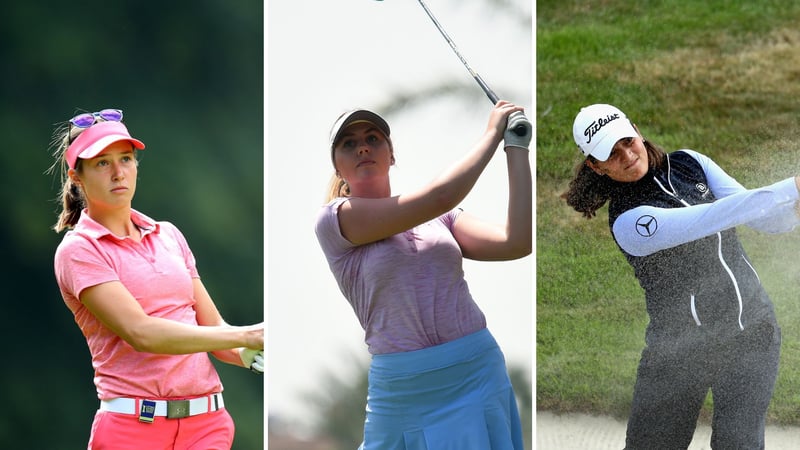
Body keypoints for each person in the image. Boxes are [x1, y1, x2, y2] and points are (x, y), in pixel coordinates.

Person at [563, 103, 799, 449]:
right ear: (595, 166)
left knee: (740, 444)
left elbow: (766, 219)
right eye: (611, 155)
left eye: (627, 141)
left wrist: (795, 206)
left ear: (637, 131)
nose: (627, 155)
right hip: (678, 354)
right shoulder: (630, 221)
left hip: (752, 333)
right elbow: (712, 218)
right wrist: (791, 186)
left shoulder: (690, 163)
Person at [315, 101, 532, 449]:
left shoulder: (441, 220)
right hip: (404, 389)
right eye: (349, 144)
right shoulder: (334, 220)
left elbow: (516, 242)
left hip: (476, 370)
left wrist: (516, 147)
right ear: (338, 167)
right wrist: (492, 134)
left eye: (373, 138)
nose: (363, 147)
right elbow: (441, 195)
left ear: (391, 154)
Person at [49, 108, 264, 450]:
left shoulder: (169, 235)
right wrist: (249, 334)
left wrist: (259, 351)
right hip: (132, 430)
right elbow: (142, 333)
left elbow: (215, 333)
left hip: (207, 427)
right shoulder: (79, 250)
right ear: (77, 176)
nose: (118, 172)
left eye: (126, 159)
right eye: (102, 163)